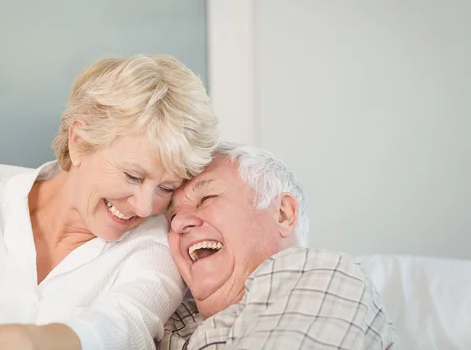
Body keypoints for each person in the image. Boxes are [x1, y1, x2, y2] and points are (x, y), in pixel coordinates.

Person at [0, 54, 219, 350]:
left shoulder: (156, 244)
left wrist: (27, 342)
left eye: (166, 187)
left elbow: (124, 326)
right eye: (133, 176)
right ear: (79, 142)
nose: (145, 207)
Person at [159, 142, 399, 350]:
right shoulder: (167, 318)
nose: (179, 223)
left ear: (283, 214)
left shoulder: (322, 273)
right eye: (172, 217)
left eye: (206, 199)